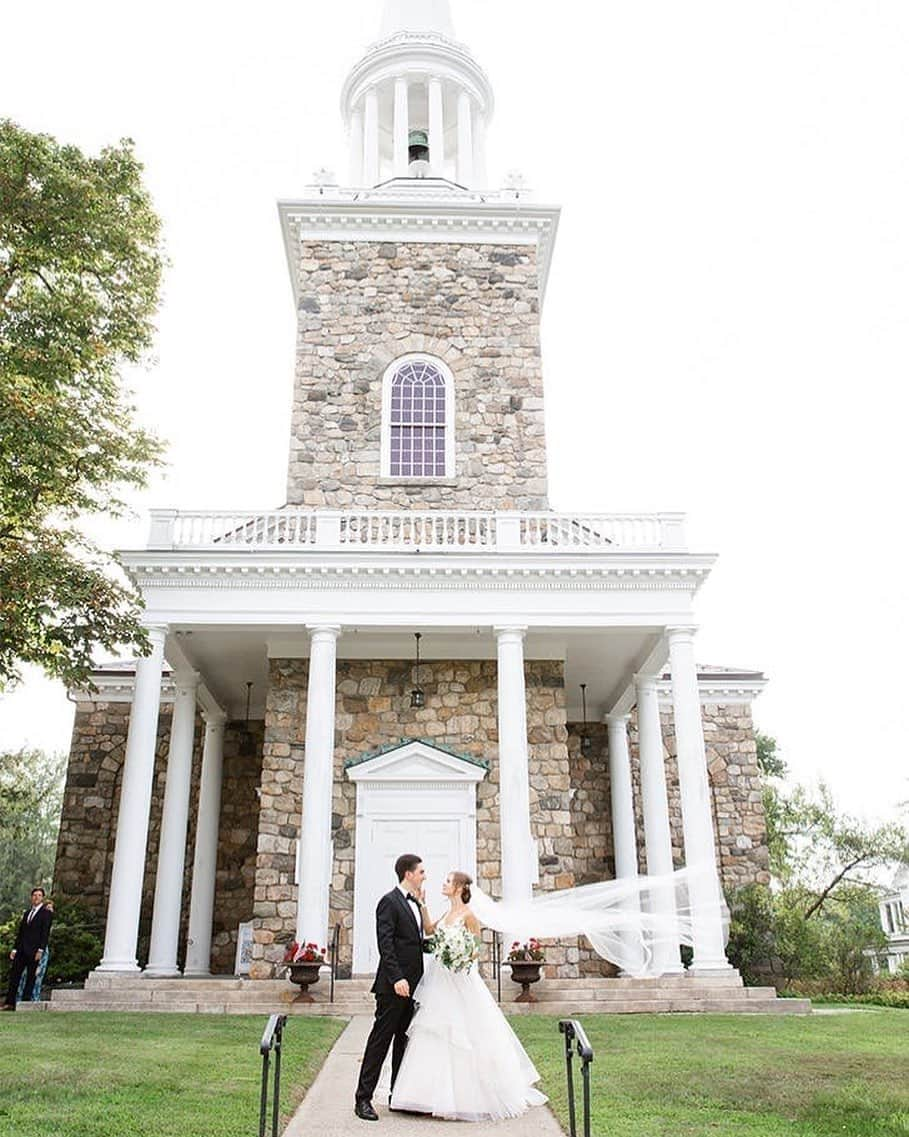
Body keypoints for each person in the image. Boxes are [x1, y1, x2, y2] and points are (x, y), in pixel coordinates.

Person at [389, 871, 548, 1122]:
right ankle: (424, 1096)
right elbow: (430, 930)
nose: (444, 883)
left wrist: (458, 957)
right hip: (441, 979)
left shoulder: (470, 915)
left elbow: (476, 951)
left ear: (459, 887)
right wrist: (422, 905)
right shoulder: (447, 914)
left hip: (460, 978)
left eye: (447, 880)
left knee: (463, 1032)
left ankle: (468, 1097)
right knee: (434, 1030)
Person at [354, 853, 430, 1122]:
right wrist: (397, 978)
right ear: (408, 874)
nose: (424, 876)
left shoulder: (416, 903)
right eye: (421, 872)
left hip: (414, 986)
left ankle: (397, 1096)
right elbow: (385, 944)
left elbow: (413, 943)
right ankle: (363, 1099)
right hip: (393, 985)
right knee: (380, 1041)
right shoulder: (389, 901)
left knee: (404, 1041)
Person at [2, 888, 54, 1011]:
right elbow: (21, 933)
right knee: (15, 975)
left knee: (31, 977)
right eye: (34, 895)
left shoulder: (46, 913)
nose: (36, 897)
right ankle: (10, 1003)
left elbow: (45, 933)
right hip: (22, 950)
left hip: (35, 950)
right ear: (31, 897)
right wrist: (15, 949)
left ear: (43, 898)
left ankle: (25, 1003)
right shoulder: (27, 913)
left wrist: (41, 950)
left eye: (39, 895)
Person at [18, 898, 54, 1002]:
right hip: (35, 949)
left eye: (51, 908)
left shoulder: (48, 921)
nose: (50, 911)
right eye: (48, 908)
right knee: (28, 974)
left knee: (39, 975)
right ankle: (23, 997)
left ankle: (34, 997)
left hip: (43, 950)